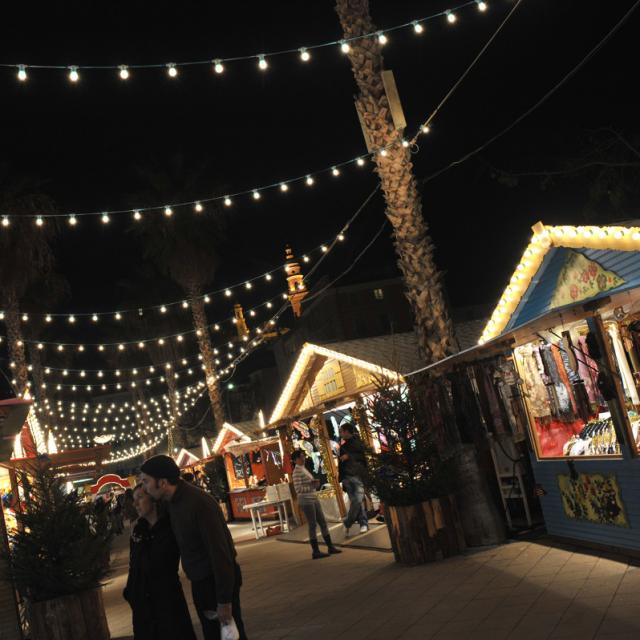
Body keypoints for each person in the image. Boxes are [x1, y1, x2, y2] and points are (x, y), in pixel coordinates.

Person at [140, 455, 247, 640]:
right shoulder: (171, 503)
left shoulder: (198, 503)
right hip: (200, 581)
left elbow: (220, 553)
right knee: (213, 634)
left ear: (163, 482)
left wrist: (224, 601)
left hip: (215, 581)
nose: (145, 488)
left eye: (146, 481)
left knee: (229, 636)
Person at [123, 484, 196, 640]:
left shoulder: (169, 527)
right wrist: (130, 592)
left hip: (167, 601)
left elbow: (163, 561)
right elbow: (133, 565)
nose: (135, 504)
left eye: (140, 498)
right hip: (143, 606)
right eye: (134, 500)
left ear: (154, 500)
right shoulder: (138, 531)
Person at [291, 449, 341, 559]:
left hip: (313, 497)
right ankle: (315, 551)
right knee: (312, 525)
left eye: (303, 456)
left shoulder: (303, 468)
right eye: (301, 457)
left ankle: (330, 546)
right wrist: (311, 485)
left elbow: (307, 484)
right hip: (306, 500)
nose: (303, 458)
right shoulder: (296, 471)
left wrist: (313, 484)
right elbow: (298, 489)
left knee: (322, 522)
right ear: (295, 460)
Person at [339, 422, 369, 534]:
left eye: (342, 431)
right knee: (356, 502)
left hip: (357, 476)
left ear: (347, 431)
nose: (341, 434)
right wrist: (341, 479)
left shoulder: (358, 443)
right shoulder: (343, 446)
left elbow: (362, 458)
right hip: (347, 477)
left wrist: (349, 456)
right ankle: (363, 524)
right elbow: (341, 464)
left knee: (357, 501)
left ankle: (348, 522)